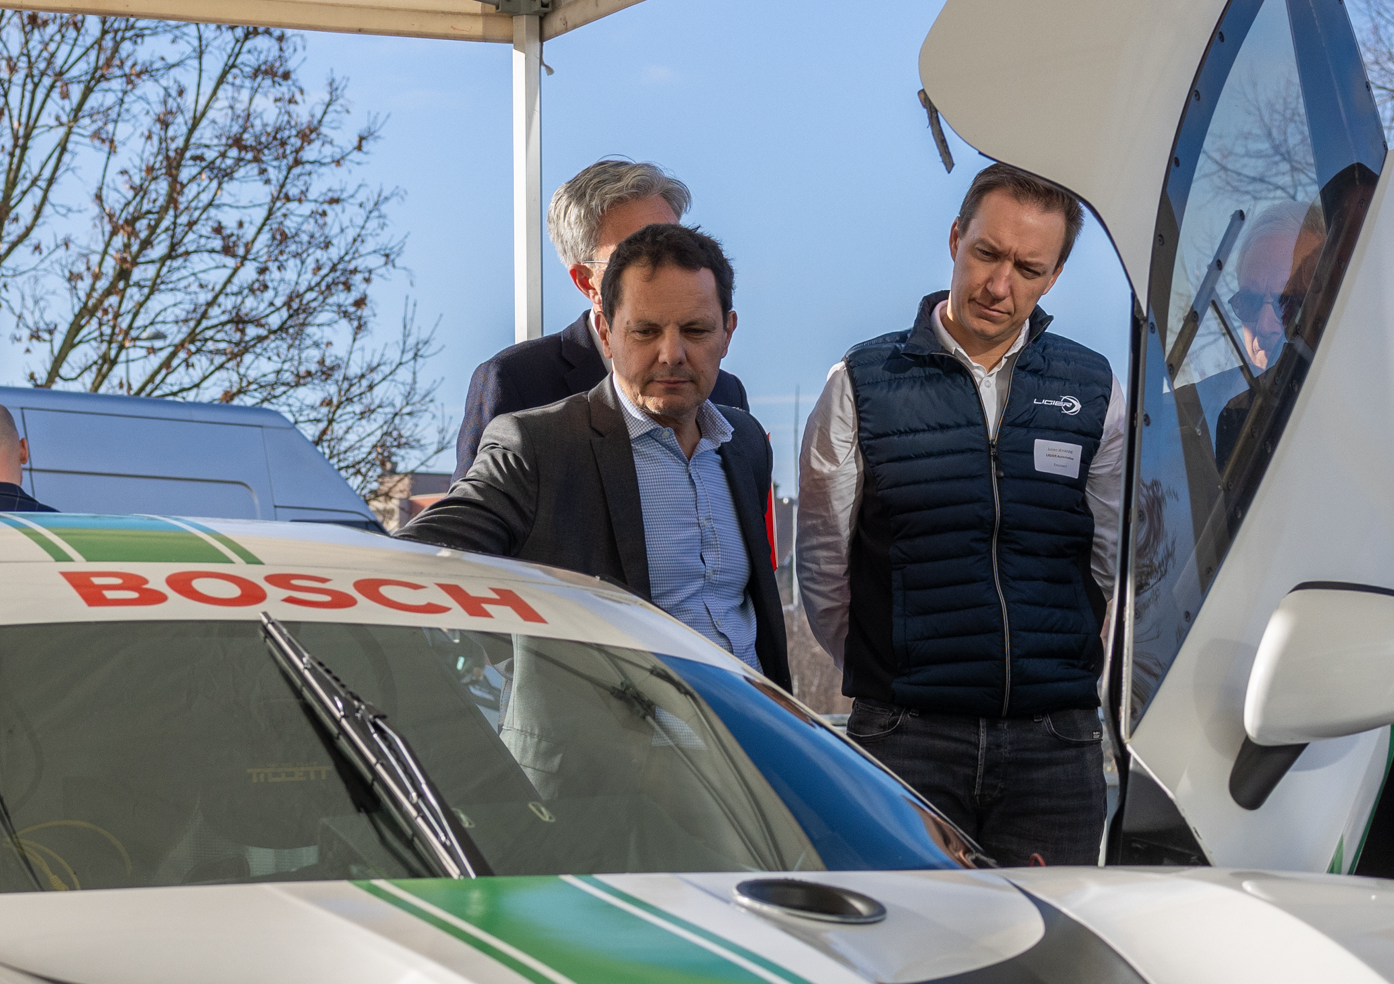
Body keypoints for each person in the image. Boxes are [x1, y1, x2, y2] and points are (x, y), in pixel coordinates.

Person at [792, 161, 1127, 866]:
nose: (1000, 286)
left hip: (1055, 745)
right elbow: (825, 569)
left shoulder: (1094, 388)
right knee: (908, 953)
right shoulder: (861, 381)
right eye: (987, 254)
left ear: (1055, 277)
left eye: (1028, 268)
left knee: (1050, 961)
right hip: (908, 739)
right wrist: (895, 671)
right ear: (955, 239)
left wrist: (1060, 663)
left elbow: (1114, 560)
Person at [407, 221, 790, 686]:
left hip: (749, 748)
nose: (672, 353)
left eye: (695, 330)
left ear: (727, 333)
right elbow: (414, 562)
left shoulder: (745, 441)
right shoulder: (535, 446)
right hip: (605, 754)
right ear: (606, 334)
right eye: (645, 332)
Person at [454, 159, 750, 476]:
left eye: (675, 244)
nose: (667, 264)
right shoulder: (516, 382)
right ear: (586, 281)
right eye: (635, 254)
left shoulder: (726, 393)